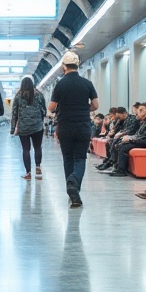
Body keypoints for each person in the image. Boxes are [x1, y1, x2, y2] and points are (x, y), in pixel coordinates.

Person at [48, 51, 99, 207]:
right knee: (80, 158)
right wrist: (84, 109)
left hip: (65, 127)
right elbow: (96, 105)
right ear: (78, 65)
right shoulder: (87, 83)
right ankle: (75, 184)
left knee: (68, 158)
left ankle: (70, 187)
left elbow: (51, 107)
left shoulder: (60, 84)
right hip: (83, 126)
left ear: (64, 66)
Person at [104, 103, 146, 177]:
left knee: (123, 146)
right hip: (143, 140)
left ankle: (122, 170)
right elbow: (138, 134)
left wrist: (130, 139)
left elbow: (145, 138)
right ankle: (118, 167)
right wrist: (129, 137)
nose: (137, 113)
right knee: (120, 142)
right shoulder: (145, 121)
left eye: (140, 111)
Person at [10, 76, 47, 179]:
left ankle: (28, 173)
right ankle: (38, 167)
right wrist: (40, 119)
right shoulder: (39, 95)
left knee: (26, 149)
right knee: (38, 147)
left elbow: (14, 113)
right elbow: (44, 110)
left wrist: (13, 128)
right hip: (37, 126)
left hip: (23, 126)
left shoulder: (18, 96)